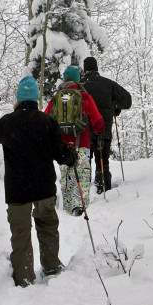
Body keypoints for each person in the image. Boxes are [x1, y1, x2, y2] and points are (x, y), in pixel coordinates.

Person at [0, 75, 77, 288]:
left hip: (17, 189)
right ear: (36, 98)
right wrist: (72, 156)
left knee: (21, 232)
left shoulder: (7, 123)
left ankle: (24, 277)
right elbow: (61, 155)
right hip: (43, 187)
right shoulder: (47, 122)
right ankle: (51, 266)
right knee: (48, 226)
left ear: (18, 98)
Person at [45, 66, 104, 215]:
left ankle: (68, 207)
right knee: (82, 174)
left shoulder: (56, 98)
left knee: (66, 176)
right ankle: (80, 206)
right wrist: (99, 130)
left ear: (64, 79)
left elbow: (46, 119)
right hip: (82, 143)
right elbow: (97, 121)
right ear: (78, 80)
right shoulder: (84, 97)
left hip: (62, 145)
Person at [81, 56, 132, 192]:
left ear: (84, 69)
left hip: (84, 130)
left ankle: (84, 190)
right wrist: (116, 107)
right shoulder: (108, 84)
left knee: (85, 162)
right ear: (96, 69)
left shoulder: (80, 86)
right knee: (103, 159)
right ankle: (103, 186)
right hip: (103, 128)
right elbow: (127, 101)